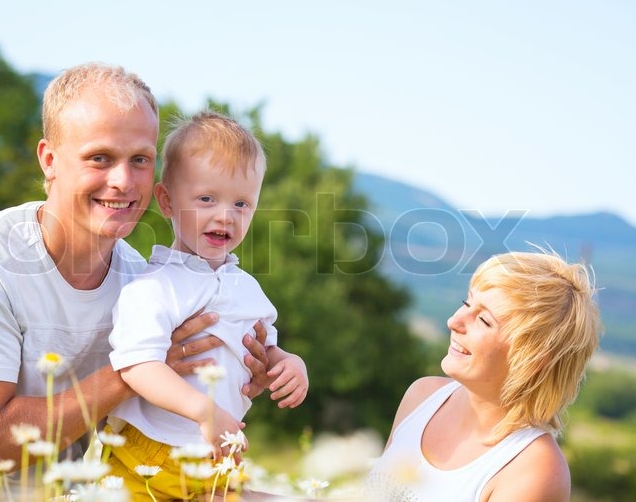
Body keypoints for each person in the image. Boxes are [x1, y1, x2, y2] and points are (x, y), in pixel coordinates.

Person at [0, 63, 271, 501]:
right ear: (49, 160)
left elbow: (144, 432)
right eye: (100, 157)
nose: (123, 181)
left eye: (139, 159)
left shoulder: (138, 278)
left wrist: (236, 369)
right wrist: (135, 371)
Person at [104, 111, 309, 500]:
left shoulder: (247, 288)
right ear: (166, 200)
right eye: (206, 199)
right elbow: (137, 366)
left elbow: (264, 351)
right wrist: (205, 411)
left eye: (242, 203)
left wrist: (288, 364)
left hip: (217, 457)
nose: (225, 215)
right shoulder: (153, 286)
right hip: (149, 451)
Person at [365, 250, 603, 501]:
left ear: (534, 360)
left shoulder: (534, 469)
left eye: (483, 320)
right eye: (466, 304)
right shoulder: (422, 396)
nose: (453, 321)